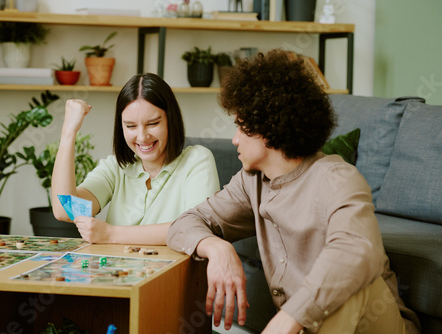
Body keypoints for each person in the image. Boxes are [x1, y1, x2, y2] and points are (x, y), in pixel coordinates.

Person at [167, 49, 420, 334]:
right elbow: (184, 224)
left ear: (268, 126)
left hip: (375, 324)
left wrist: (288, 317)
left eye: (240, 126)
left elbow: (358, 252)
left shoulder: (337, 178)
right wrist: (217, 248)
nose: (235, 139)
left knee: (352, 279)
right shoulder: (251, 181)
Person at [52, 72, 220, 244]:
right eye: (131, 126)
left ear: (171, 120)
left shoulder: (197, 160)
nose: (142, 137)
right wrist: (68, 132)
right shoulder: (116, 168)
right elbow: (66, 210)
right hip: (117, 270)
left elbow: (195, 228)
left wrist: (110, 234)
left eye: (153, 123)